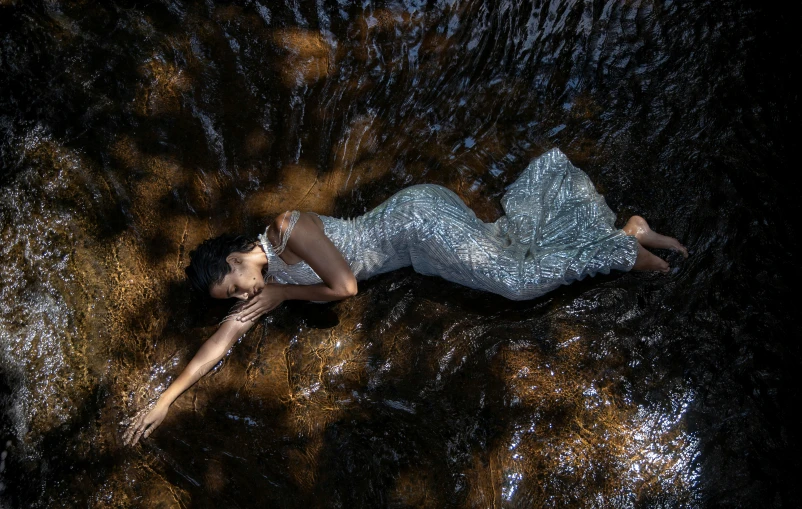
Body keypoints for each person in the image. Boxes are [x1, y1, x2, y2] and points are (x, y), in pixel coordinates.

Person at [122, 148, 687, 445]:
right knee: (510, 257)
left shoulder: (286, 228)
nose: (242, 294)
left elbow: (345, 288)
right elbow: (222, 342)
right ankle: (628, 230)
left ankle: (624, 248)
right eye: (234, 296)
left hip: (418, 222)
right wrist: (167, 399)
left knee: (518, 285)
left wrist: (282, 299)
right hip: (415, 252)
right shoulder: (263, 282)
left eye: (234, 284)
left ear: (235, 255)